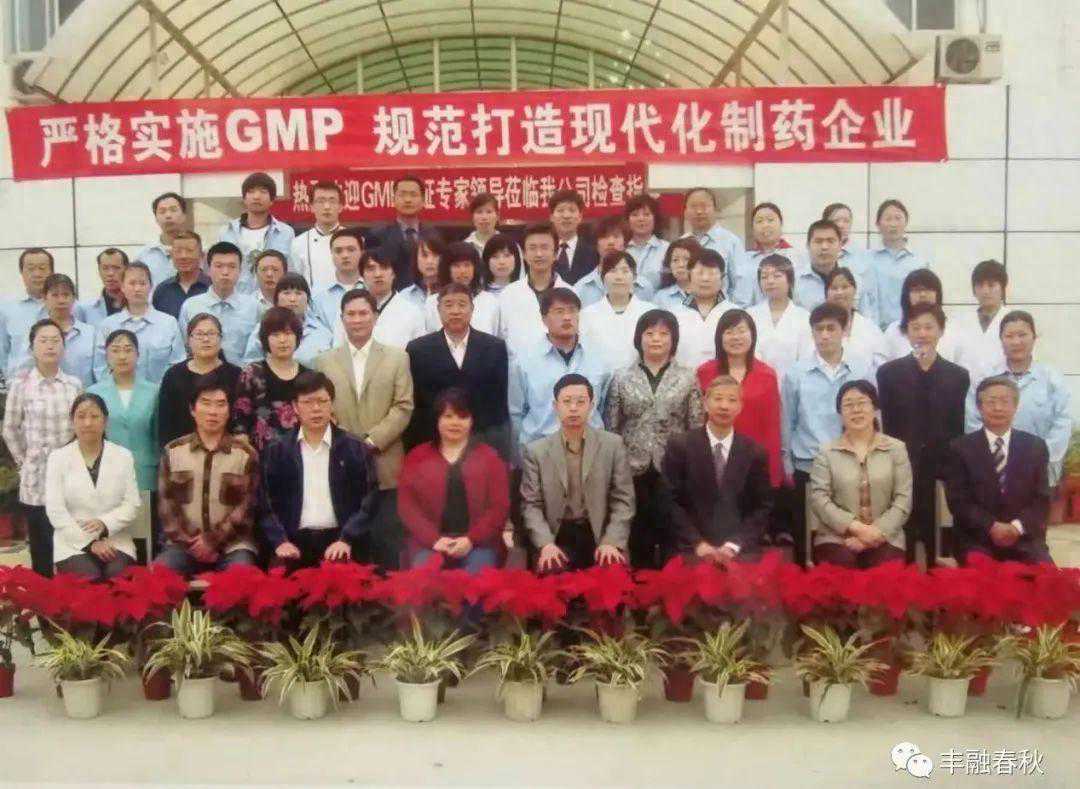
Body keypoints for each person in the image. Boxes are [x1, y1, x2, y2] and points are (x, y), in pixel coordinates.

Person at [315, 289, 414, 569]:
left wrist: (371, 441)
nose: (357, 320)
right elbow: (323, 408)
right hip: (341, 464)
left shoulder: (397, 358)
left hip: (386, 465)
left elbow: (403, 406)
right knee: (346, 552)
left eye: (363, 313)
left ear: (376, 316)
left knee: (387, 549)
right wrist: (348, 443)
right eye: (351, 314)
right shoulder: (325, 361)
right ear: (342, 319)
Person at [605, 310, 704, 568]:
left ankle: (670, 588)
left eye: (663, 334)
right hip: (632, 469)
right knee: (639, 537)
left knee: (673, 537)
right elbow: (612, 427)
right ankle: (640, 589)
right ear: (639, 338)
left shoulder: (688, 376)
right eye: (649, 333)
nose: (656, 339)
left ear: (674, 339)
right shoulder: (621, 377)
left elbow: (696, 426)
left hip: (674, 468)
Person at [780, 303, 874, 565]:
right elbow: (787, 420)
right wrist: (786, 463)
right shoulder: (796, 373)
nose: (824, 335)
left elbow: (873, 417)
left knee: (849, 532)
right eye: (818, 329)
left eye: (831, 328)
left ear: (844, 330)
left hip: (853, 462)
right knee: (805, 537)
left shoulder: (861, 370)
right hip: (807, 463)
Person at [260, 371, 380, 569]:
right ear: (295, 407)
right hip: (293, 545)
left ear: (331, 404)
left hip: (342, 543)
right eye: (308, 402)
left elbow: (370, 500)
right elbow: (264, 503)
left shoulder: (355, 448)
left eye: (322, 401)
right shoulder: (277, 450)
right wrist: (280, 541)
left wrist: (347, 538)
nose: (316, 409)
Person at [877, 303, 969, 565]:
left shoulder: (958, 376)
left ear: (941, 330)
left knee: (937, 538)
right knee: (901, 535)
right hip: (902, 465)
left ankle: (934, 580)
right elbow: (887, 422)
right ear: (906, 332)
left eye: (929, 327)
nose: (922, 333)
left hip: (941, 468)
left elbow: (958, 426)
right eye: (915, 327)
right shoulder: (889, 373)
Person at [521, 374, 633, 571]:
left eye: (581, 402)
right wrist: (546, 544)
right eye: (566, 402)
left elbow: (623, 500)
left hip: (598, 532)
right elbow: (531, 506)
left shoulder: (613, 445)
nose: (573, 408)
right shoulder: (536, 451)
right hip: (557, 534)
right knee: (551, 571)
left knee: (613, 573)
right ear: (555, 406)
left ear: (592, 406)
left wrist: (611, 541)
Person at [155, 377, 260, 576]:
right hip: (182, 545)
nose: (213, 411)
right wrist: (195, 544)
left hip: (233, 546)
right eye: (205, 403)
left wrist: (212, 541)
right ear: (192, 409)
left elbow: (246, 509)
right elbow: (166, 507)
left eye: (220, 404)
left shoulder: (246, 454)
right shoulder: (173, 452)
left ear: (229, 411)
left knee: (243, 575)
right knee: (159, 573)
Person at [663, 375, 772, 564]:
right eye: (718, 398)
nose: (724, 406)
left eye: (732, 400)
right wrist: (698, 544)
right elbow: (669, 501)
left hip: (739, 550)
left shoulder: (754, 452)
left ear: (740, 407)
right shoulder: (680, 446)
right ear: (705, 403)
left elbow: (762, 507)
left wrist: (734, 545)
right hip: (689, 549)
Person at [2, 319, 83, 575]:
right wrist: (24, 461)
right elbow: (10, 429)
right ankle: (43, 596)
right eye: (43, 341)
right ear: (32, 348)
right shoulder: (21, 385)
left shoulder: (73, 385)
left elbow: (81, 429)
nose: (50, 346)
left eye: (56, 341)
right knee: (41, 546)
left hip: (69, 475)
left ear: (63, 347)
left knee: (70, 544)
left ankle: (71, 595)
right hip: (36, 478)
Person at [945, 376, 1053, 565]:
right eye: (991, 401)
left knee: (1048, 578)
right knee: (980, 577)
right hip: (976, 540)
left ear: (1016, 406)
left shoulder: (1035, 447)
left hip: (1024, 540)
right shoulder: (960, 448)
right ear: (979, 407)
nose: (998, 408)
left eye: (1005, 401)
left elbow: (1042, 499)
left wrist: (1016, 528)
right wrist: (991, 526)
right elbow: (958, 501)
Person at [399, 388, 509, 570]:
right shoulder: (417, 457)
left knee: (478, 580)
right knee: (424, 579)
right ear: (437, 420)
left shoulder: (490, 458)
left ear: (472, 421)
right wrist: (434, 540)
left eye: (462, 417)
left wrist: (471, 539)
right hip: (428, 543)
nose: (455, 423)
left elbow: (499, 508)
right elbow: (407, 507)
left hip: (478, 544)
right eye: (448, 416)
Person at [809, 380, 912, 568]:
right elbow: (819, 499)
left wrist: (876, 532)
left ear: (875, 409)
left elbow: (903, 500)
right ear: (840, 413)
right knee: (842, 565)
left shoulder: (896, 449)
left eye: (862, 403)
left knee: (884, 569)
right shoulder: (826, 452)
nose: (856, 410)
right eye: (848, 405)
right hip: (835, 536)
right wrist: (855, 528)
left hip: (886, 535)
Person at [965, 311, 1072, 487]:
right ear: (1001, 340)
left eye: (1022, 335)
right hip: (994, 471)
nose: (1016, 342)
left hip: (1041, 472)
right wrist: (992, 458)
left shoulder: (1052, 378)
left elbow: (1063, 422)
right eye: (1009, 336)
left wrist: (1040, 458)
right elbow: (972, 422)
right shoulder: (984, 378)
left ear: (1034, 338)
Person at [405, 283, 510, 456]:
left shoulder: (494, 347)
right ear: (438, 310)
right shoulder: (418, 349)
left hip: (482, 441)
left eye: (462, 304)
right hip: (432, 442)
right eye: (448, 305)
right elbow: (416, 404)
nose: (455, 311)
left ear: (472, 309)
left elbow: (499, 404)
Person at [46, 393, 141, 579]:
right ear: (72, 421)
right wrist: (90, 543)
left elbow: (132, 504)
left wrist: (105, 524)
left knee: (117, 575)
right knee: (89, 577)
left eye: (94, 416)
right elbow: (55, 510)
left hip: (115, 539)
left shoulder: (123, 456)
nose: (87, 423)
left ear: (105, 421)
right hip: (71, 542)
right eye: (81, 417)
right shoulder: (58, 458)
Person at [509, 288, 611, 457]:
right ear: (544, 319)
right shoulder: (524, 361)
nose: (567, 317)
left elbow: (604, 407)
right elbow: (516, 413)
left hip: (590, 450)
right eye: (559, 311)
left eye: (572, 311)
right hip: (541, 451)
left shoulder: (598, 357)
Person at [696, 310, 783, 488]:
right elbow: (697, 420)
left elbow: (772, 426)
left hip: (753, 460)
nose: (736, 337)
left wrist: (773, 472)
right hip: (713, 459)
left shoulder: (767, 375)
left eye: (742, 331)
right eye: (729, 332)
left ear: (753, 335)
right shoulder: (704, 372)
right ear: (719, 337)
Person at [87, 330, 160, 498]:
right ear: (106, 356)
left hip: (145, 473)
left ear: (138, 355)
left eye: (128, 350)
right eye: (115, 350)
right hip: (106, 474)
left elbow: (158, 436)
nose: (122, 356)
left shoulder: (154, 392)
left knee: (144, 515)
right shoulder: (94, 393)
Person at [231, 307, 310, 453]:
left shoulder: (308, 376)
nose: (282, 340)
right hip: (259, 455)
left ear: (297, 337)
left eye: (288, 333)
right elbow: (240, 421)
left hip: (300, 454)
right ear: (265, 339)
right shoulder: (252, 373)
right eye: (275, 334)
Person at [157, 313, 242, 448]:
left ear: (220, 339)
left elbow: (241, 420)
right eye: (199, 334)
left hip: (225, 451)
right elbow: (165, 423)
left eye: (211, 334)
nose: (206, 339)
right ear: (189, 340)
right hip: (181, 452)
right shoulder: (173, 375)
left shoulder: (236, 375)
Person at [93, 262, 185, 384]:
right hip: (118, 393)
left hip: (161, 392)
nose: (137, 289)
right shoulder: (108, 325)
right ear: (122, 287)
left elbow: (177, 364)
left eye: (142, 283)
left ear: (150, 287)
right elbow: (101, 368)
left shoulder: (168, 323)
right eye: (132, 283)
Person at [496, 222, 570, 359]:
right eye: (532, 248)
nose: (539, 254)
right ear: (524, 254)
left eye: (544, 247)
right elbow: (499, 339)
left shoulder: (570, 293)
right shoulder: (508, 295)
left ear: (555, 253)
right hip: (517, 370)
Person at [178, 241, 260, 366]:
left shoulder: (254, 307)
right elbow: (185, 348)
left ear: (240, 271)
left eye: (232, 266)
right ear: (208, 269)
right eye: (219, 266)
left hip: (243, 375)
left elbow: (258, 351)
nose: (225, 272)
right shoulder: (191, 306)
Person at [8, 274, 95, 386]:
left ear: (74, 298)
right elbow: (21, 370)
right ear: (44, 298)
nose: (61, 300)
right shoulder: (34, 332)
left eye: (66, 295)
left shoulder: (90, 333)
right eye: (55, 295)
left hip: (83, 394)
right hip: (42, 394)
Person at [217, 171, 295, 294]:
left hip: (272, 299)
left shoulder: (286, 233)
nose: (256, 196)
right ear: (244, 198)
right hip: (235, 299)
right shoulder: (227, 232)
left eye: (263, 192)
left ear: (272, 200)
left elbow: (291, 271)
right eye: (251, 191)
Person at [579, 251, 656, 370]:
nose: (619, 277)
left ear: (635, 277)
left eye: (625, 271)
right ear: (602, 277)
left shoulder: (650, 312)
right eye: (612, 271)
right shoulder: (587, 315)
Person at [747, 254, 813, 385]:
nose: (770, 281)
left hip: (793, 386)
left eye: (777, 276)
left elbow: (806, 359)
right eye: (764, 277)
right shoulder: (749, 315)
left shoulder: (804, 317)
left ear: (790, 280)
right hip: (756, 386)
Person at [793, 219, 876, 321]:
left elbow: (866, 318)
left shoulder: (856, 280)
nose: (824, 247)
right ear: (808, 245)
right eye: (818, 241)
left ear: (840, 245)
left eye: (830, 241)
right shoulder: (795, 282)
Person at [244, 273, 333, 367]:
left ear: (308, 298)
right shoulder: (264, 328)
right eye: (286, 293)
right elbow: (251, 365)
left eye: (298, 293)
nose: (292, 299)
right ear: (276, 298)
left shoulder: (322, 332)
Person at [867, 199, 929, 330]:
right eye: (888, 219)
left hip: (911, 330)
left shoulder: (919, 262)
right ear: (878, 224)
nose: (893, 224)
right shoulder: (867, 259)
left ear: (906, 222)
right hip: (876, 330)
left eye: (898, 218)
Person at [672, 249, 737, 368]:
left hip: (725, 378)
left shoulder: (735, 314)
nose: (705, 278)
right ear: (689, 276)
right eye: (700, 273)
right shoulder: (673, 314)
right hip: (682, 378)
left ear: (722, 278)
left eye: (712, 273)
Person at [351, 248, 426, 350]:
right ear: (362, 275)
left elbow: (420, 353)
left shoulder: (412, 312)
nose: (378, 274)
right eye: (371, 269)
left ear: (393, 273)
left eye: (384, 267)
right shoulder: (350, 309)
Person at [365, 174, 428, 288]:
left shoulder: (434, 235)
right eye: (402, 195)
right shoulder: (377, 235)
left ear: (423, 200)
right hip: (392, 294)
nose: (408, 200)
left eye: (413, 195)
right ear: (393, 199)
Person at [422, 241, 499, 334]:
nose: (462, 271)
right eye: (456, 266)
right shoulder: (432, 303)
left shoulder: (489, 301)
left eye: (467, 265)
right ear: (447, 269)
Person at [947, 259, 1008, 375]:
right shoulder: (959, 321)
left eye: (991, 285)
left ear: (1003, 288)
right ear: (974, 290)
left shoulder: (1014, 321)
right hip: (965, 384)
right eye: (980, 285)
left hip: (1002, 384)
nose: (985, 291)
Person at [729, 202, 796, 307]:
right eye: (759, 221)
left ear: (781, 224)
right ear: (752, 228)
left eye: (770, 220)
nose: (765, 225)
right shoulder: (744, 259)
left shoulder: (797, 257)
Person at [825, 267, 888, 374]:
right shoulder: (818, 327)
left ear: (855, 291)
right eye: (834, 288)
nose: (839, 292)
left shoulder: (870, 328)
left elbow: (882, 368)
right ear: (826, 293)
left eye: (845, 287)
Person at [0, 248, 51, 377]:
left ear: (52, 271)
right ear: (21, 272)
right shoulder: (6, 309)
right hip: (17, 384)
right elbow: (2, 352)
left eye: (42, 268)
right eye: (31, 269)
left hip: (57, 384)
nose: (37, 274)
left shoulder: (68, 307)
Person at [882, 269, 946, 362]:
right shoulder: (893, 331)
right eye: (917, 290)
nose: (923, 294)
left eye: (928, 289)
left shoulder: (953, 331)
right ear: (907, 296)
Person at [290, 180, 344, 289]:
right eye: (321, 201)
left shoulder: (354, 240)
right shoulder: (298, 243)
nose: (327, 206)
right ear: (312, 207)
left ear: (340, 207)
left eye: (332, 201)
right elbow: (294, 281)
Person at [310, 227, 367, 330]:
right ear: (331, 254)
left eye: (351, 250)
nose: (345, 255)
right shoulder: (317, 292)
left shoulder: (373, 287)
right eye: (338, 251)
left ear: (362, 253)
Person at [136, 192, 189, 294]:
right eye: (162, 211)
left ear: (184, 215)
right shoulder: (144, 255)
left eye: (173, 210)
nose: (168, 215)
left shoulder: (199, 252)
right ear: (156, 218)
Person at [151, 231, 210, 319]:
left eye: (189, 251)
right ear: (171, 255)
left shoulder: (212, 287)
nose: (183, 256)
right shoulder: (162, 290)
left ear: (201, 255)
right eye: (178, 251)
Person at [679, 187, 741, 266]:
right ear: (685, 213)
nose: (699, 211)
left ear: (715, 210)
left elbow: (740, 274)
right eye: (693, 206)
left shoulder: (731, 242)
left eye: (704, 206)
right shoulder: (680, 243)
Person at [549, 189, 597, 285]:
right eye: (560, 210)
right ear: (552, 217)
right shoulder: (544, 250)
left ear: (580, 217)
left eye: (572, 210)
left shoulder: (594, 252)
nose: (566, 216)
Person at [625, 193, 670, 293]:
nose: (641, 219)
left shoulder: (667, 249)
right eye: (635, 215)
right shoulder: (621, 250)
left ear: (655, 219)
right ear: (627, 220)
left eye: (646, 214)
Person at [76, 248, 126, 326]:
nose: (110, 273)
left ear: (126, 270)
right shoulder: (84, 309)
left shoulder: (138, 307)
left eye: (116, 268)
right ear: (99, 271)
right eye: (105, 268)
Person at [398, 228, 446, 311]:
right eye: (424, 255)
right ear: (416, 258)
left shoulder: (453, 293)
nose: (430, 261)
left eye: (435, 255)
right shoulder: (404, 297)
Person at [652, 237, 701, 310]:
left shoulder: (708, 292)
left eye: (686, 259)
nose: (681, 265)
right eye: (675, 260)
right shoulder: (661, 297)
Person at [252, 250, 287, 318]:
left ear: (285, 273)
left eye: (275, 270)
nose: (269, 274)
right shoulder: (247, 304)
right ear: (256, 274)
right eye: (264, 269)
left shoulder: (293, 302)